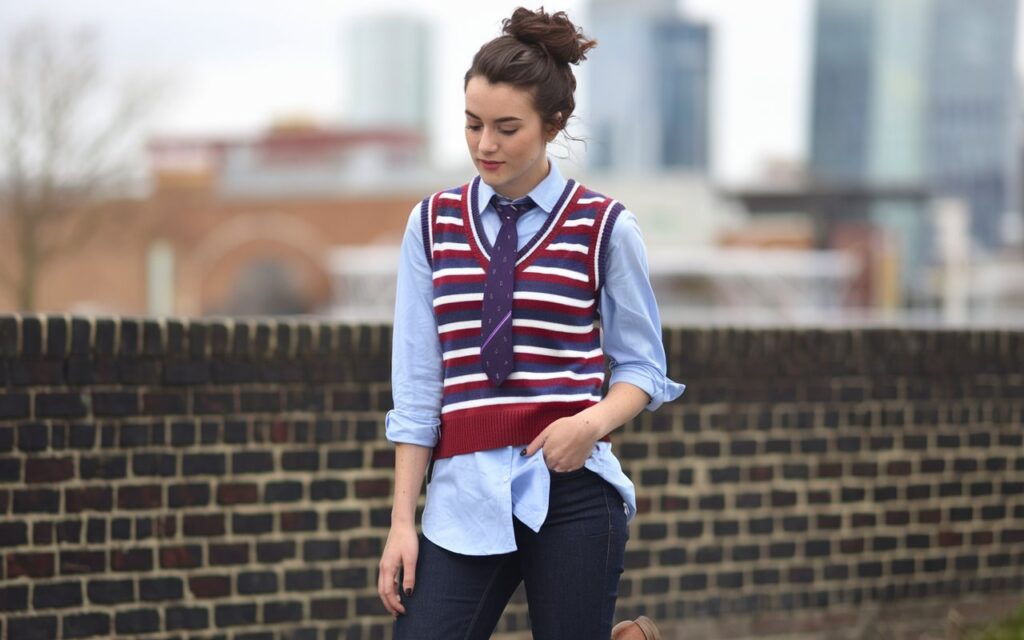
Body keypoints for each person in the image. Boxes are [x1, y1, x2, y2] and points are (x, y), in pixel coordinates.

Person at [377, 7, 685, 639]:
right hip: (461, 496)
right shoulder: (431, 226)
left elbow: (643, 367)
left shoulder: (604, 229)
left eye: (507, 127)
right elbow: (417, 386)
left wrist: (590, 423)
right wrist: (402, 522)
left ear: (554, 123)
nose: (485, 145)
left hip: (572, 492)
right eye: (472, 124)